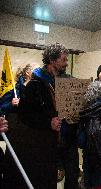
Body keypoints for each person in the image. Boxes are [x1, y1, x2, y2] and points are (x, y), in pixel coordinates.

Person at [16, 43, 79, 189]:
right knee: (49, 179)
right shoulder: (34, 85)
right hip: (47, 142)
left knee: (73, 177)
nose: (66, 63)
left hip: (69, 140)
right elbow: (24, 115)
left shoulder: (69, 81)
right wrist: (47, 122)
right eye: (63, 60)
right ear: (52, 59)